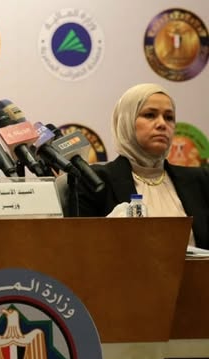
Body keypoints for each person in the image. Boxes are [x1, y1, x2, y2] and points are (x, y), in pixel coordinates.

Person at [70, 83, 209, 248]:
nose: (162, 124)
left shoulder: (201, 180)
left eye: (169, 117)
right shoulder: (93, 181)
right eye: (150, 115)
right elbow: (81, 249)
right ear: (126, 121)